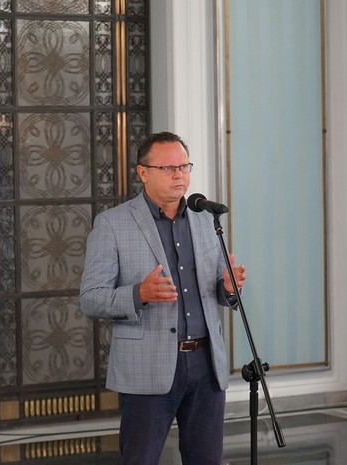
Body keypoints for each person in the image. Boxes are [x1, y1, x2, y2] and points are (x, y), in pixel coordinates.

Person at [80, 131, 246, 465]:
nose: (178, 175)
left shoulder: (205, 219)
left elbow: (218, 291)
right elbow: (90, 298)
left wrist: (229, 288)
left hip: (205, 365)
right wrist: (138, 294)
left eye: (183, 167)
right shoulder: (112, 224)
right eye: (168, 168)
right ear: (143, 172)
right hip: (147, 366)